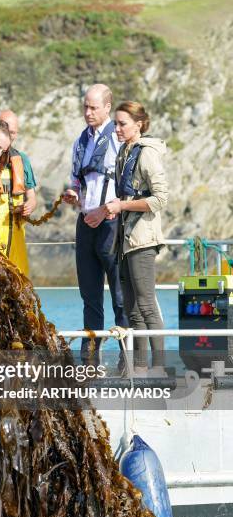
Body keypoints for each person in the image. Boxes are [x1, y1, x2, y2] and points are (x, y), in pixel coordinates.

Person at [102, 101, 168, 374]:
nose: (116, 128)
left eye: (122, 124)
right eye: (115, 123)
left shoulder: (147, 153)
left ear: (138, 124)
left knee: (146, 304)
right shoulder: (124, 153)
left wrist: (122, 206)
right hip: (125, 240)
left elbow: (160, 198)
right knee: (132, 310)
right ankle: (140, 367)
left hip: (143, 239)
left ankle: (161, 368)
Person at [63, 84, 127, 363]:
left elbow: (127, 185)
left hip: (112, 223)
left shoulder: (118, 138)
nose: (88, 112)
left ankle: (129, 360)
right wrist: (72, 193)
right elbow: (78, 178)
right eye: (85, 107)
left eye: (93, 107)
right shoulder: (81, 140)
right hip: (85, 221)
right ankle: (90, 361)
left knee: (120, 296)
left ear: (107, 108)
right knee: (89, 296)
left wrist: (105, 211)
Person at [0, 110, 37, 277]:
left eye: (13, 132)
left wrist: (29, 205)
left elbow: (32, 197)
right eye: (5, 130)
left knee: (19, 284)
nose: (8, 136)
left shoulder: (21, 159)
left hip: (16, 236)